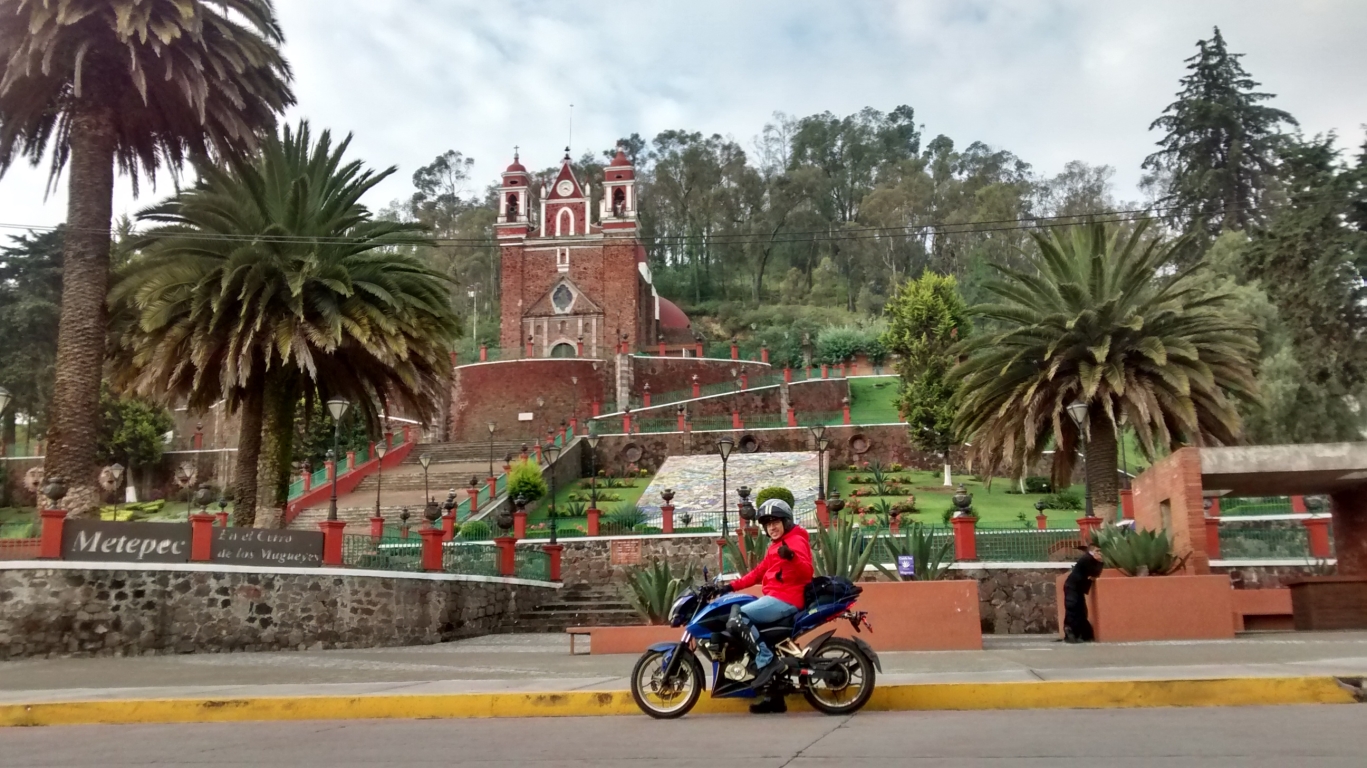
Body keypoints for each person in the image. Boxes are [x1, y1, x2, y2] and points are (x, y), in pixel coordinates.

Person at [719, 497, 813, 714]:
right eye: (767, 523)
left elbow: (807, 572)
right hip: (776, 598)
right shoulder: (775, 546)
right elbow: (758, 573)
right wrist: (729, 587)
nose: (771, 527)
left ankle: (766, 660)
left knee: (738, 618)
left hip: (786, 599)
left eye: (775, 521)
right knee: (754, 630)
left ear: (786, 522)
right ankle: (774, 699)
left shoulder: (794, 541)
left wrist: (791, 557)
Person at [1063, 543, 1105, 643]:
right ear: (1092, 551)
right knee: (1073, 609)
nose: (1100, 553)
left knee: (1081, 611)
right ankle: (1071, 634)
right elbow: (1095, 573)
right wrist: (1100, 562)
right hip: (1073, 588)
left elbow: (1095, 575)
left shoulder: (1089, 560)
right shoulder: (1087, 559)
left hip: (1077, 589)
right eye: (1097, 551)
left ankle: (1083, 635)